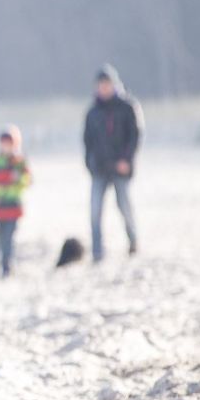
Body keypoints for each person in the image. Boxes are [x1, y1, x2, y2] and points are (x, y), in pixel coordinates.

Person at [83, 64, 144, 261]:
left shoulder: (128, 107)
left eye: (107, 84)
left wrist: (126, 160)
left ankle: (133, 242)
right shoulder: (93, 111)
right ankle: (97, 251)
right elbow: (87, 141)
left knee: (124, 206)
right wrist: (90, 163)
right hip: (99, 168)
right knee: (95, 210)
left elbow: (135, 136)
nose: (104, 88)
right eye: (101, 84)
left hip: (121, 167)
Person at [0, 125, 32, 277]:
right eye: (3, 143)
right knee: (0, 236)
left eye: (9, 144)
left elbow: (28, 180)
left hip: (13, 206)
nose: (6, 147)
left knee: (9, 236)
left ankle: (7, 264)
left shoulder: (19, 162)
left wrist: (18, 179)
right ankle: (4, 261)